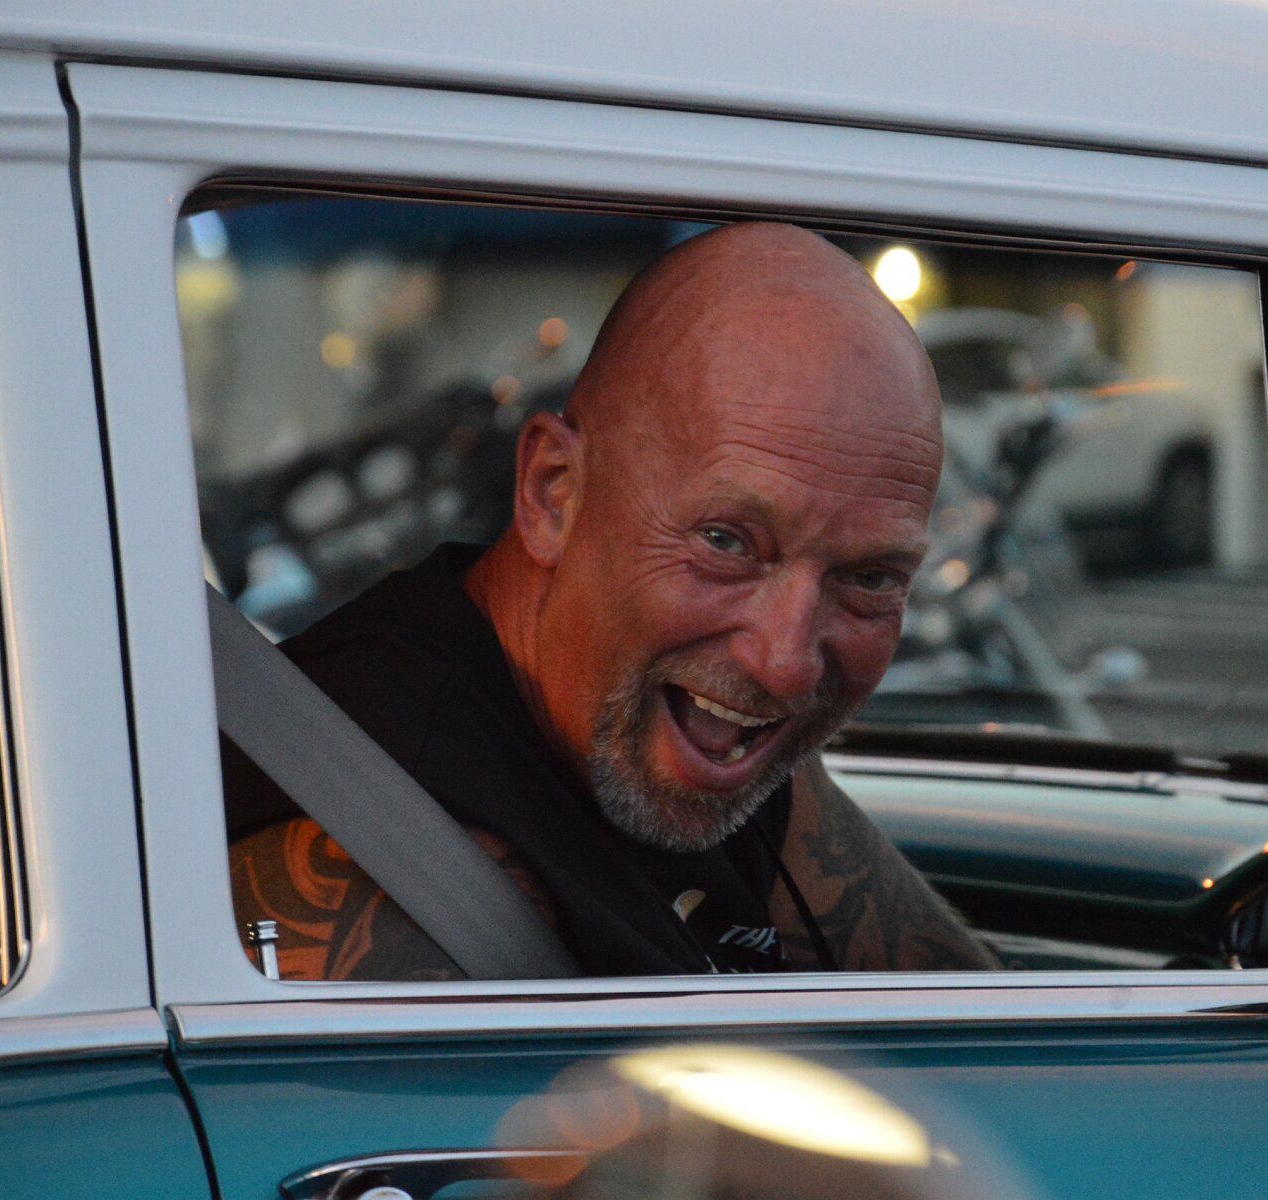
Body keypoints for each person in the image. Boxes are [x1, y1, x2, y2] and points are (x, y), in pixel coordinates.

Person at [225, 222, 1000, 978]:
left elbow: (968, 1017)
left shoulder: (706, 723)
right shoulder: (373, 865)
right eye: (725, 542)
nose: (787, 664)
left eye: (869, 579)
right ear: (552, 493)